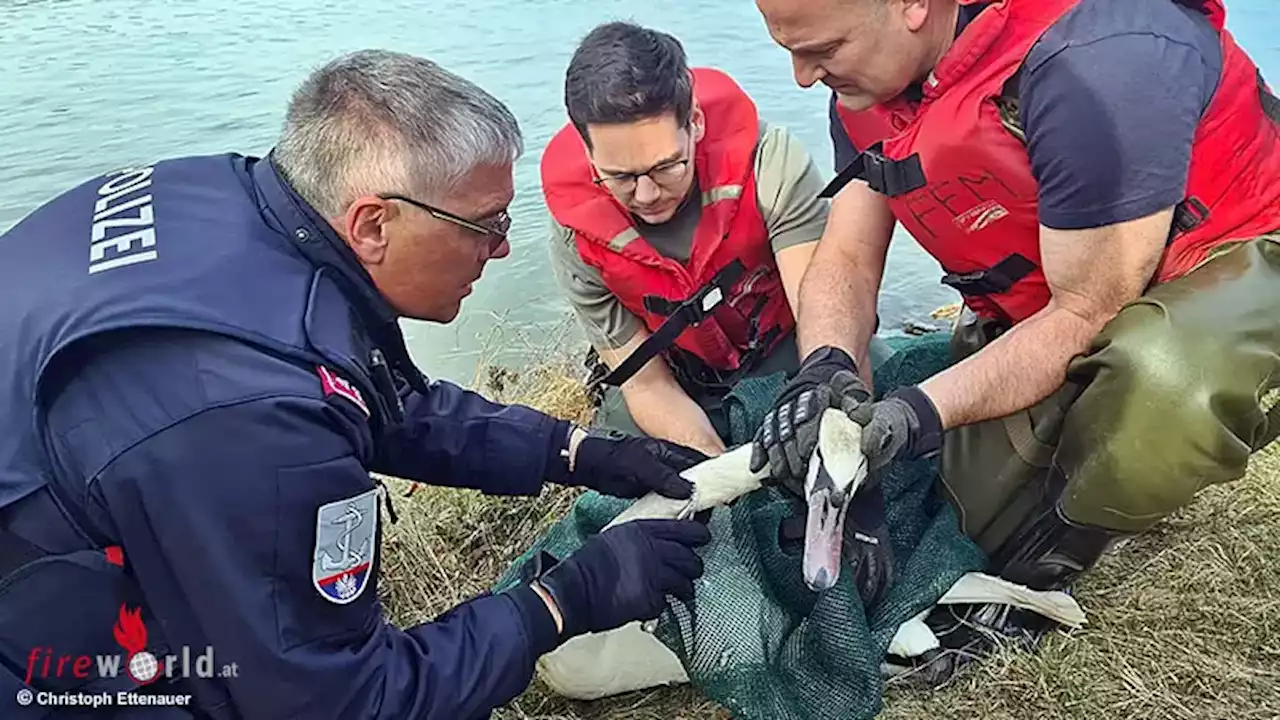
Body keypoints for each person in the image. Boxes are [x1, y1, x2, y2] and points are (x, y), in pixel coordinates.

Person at [0, 49, 717, 719]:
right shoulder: (252, 419)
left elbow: (375, 397)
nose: (502, 247)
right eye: (485, 224)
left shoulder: (232, 202)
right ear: (373, 224)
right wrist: (562, 601)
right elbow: (344, 699)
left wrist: (576, 451)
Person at [749, 0, 1280, 669]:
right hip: (1069, 293)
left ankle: (1039, 580)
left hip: (1237, 260)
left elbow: (1090, 311)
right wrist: (825, 367)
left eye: (822, 48)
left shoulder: (1095, 65)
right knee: (966, 521)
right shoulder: (867, 87)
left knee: (1161, 378)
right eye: (789, 50)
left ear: (913, 6)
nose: (800, 76)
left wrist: (916, 412)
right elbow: (848, 257)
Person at [541, 21, 891, 457]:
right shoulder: (576, 237)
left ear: (697, 123)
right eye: (621, 177)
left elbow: (822, 316)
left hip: (787, 347)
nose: (647, 194)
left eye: (667, 166)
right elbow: (647, 385)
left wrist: (826, 418)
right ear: (587, 151)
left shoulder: (771, 165)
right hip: (678, 378)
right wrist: (722, 475)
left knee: (859, 387)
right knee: (628, 466)